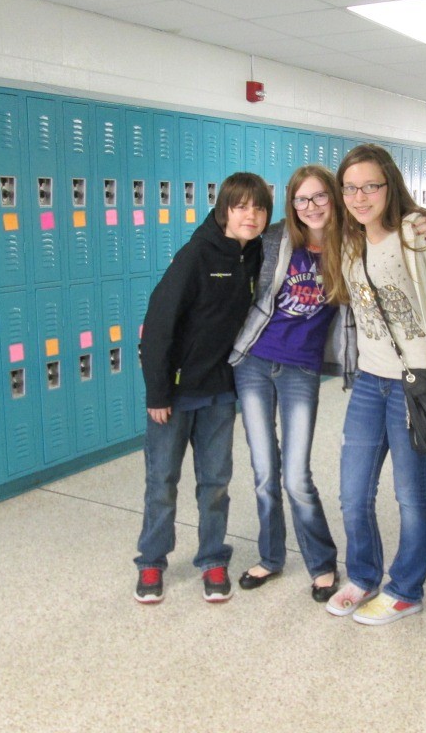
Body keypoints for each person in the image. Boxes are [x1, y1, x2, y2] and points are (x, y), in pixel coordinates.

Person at [324, 143, 426, 626]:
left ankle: (406, 589)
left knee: (409, 492)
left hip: (414, 380)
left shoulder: (417, 233)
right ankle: (362, 577)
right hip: (369, 382)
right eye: (351, 188)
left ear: (390, 187)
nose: (360, 197)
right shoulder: (347, 238)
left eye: (371, 186)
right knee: (352, 491)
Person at [134, 172, 271, 604]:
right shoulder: (195, 256)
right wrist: (157, 392)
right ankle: (152, 562)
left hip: (218, 392)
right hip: (174, 396)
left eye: (259, 207)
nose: (251, 215)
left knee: (215, 483)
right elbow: (157, 327)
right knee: (162, 483)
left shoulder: (255, 254)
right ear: (224, 210)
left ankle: (213, 557)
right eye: (241, 206)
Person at [229, 165, 353, 603]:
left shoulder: (350, 243)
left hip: (301, 370)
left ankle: (322, 564)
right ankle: (271, 557)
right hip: (256, 362)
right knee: (265, 472)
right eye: (302, 200)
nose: (311, 207)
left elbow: (402, 223)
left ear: (334, 198)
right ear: (292, 205)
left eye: (319, 197)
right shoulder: (278, 238)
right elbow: (226, 240)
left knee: (297, 476)